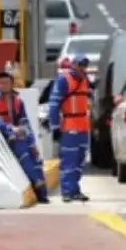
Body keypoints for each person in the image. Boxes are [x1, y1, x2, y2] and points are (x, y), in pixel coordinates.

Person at [0, 70, 50, 204]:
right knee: (23, 153)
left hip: (16, 135)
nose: (3, 86)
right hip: (0, 136)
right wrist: (10, 128)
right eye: (0, 83)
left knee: (35, 156)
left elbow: (25, 123)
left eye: (6, 83)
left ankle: (42, 193)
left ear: (11, 84)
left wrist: (32, 144)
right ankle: (36, 185)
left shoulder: (18, 101)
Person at [47, 54, 93, 202]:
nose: (82, 68)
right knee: (69, 160)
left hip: (83, 125)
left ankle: (75, 190)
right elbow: (54, 104)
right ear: (73, 65)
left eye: (84, 65)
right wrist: (54, 126)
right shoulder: (63, 79)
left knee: (80, 159)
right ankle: (66, 191)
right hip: (69, 125)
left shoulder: (85, 79)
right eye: (80, 65)